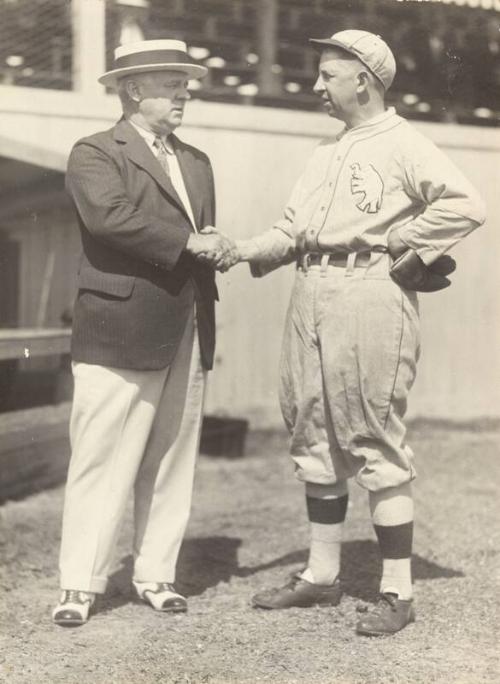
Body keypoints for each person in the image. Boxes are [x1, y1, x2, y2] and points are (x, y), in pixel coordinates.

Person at [219, 30, 486, 636]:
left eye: (327, 76)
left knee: (371, 431)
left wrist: (408, 237)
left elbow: (467, 204)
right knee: (310, 426)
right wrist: (237, 250)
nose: (316, 86)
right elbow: (292, 230)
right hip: (311, 287)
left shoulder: (404, 143)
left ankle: (398, 589)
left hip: (370, 290)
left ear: (362, 79)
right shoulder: (326, 149)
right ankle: (320, 574)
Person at [52, 39, 234, 627]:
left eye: (187, 81)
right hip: (119, 327)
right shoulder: (95, 153)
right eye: (173, 82)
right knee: (102, 458)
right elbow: (110, 219)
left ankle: (156, 574)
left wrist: (214, 244)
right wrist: (190, 242)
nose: (187, 91)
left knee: (172, 456)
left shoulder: (198, 161)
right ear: (133, 89)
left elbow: (200, 235)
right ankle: (80, 584)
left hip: (187, 326)